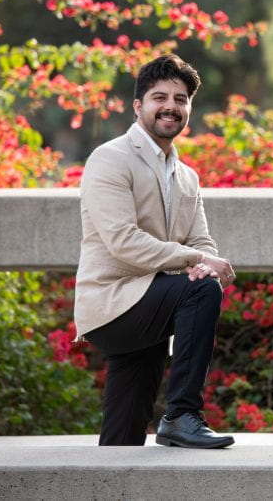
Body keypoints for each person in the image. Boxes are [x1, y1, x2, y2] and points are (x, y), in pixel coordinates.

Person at [74, 54, 236, 448]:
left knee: (123, 436)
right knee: (201, 290)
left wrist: (202, 262)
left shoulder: (186, 176)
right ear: (138, 106)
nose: (171, 106)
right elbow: (123, 242)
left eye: (180, 99)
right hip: (112, 303)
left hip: (151, 301)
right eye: (159, 97)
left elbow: (201, 241)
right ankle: (181, 414)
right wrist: (198, 266)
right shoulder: (110, 159)